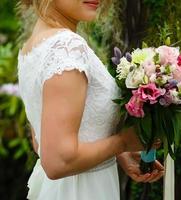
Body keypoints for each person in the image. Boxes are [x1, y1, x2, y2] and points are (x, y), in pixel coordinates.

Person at [17, 0, 164, 199]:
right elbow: (58, 162)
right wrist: (122, 143)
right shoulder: (65, 48)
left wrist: (119, 154)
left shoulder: (34, 45)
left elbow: (41, 144)